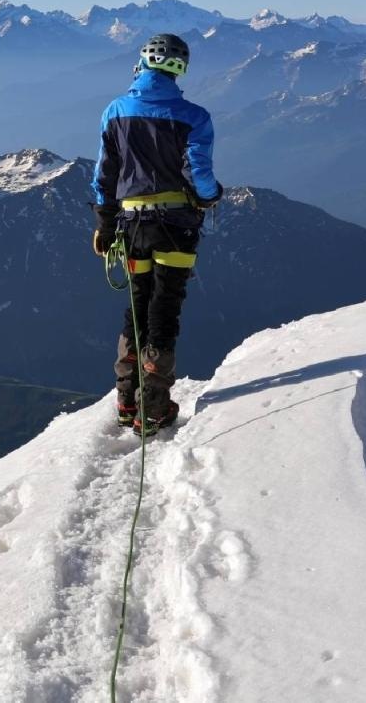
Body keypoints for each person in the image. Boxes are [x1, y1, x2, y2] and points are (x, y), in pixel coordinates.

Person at [90, 33, 222, 436]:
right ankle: (155, 409)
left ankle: (127, 402)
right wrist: (209, 195)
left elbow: (105, 175)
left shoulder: (115, 110)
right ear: (180, 68)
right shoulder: (194, 116)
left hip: (130, 227)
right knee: (164, 309)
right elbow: (197, 170)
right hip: (177, 227)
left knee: (136, 305)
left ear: (142, 63)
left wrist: (104, 224)